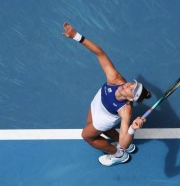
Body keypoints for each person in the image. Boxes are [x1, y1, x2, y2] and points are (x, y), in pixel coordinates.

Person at [62, 22, 151, 166]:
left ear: (130, 98)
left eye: (131, 89)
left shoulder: (125, 111)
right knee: (89, 121)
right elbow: (100, 52)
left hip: (106, 117)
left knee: (88, 136)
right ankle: (129, 148)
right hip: (99, 101)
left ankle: (119, 154)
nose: (127, 85)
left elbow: (122, 141)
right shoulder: (116, 79)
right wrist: (76, 36)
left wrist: (132, 129)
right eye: (131, 83)